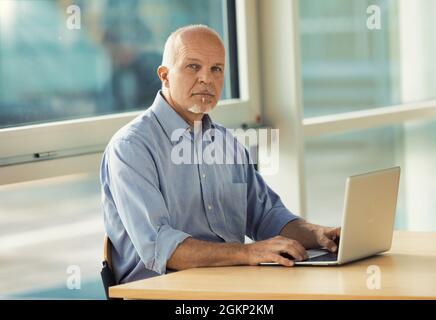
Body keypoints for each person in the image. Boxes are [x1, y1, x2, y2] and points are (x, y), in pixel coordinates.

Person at [100, 24, 340, 284]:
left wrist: (319, 235)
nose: (207, 79)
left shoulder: (228, 143)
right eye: (193, 66)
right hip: (163, 291)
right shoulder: (131, 147)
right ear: (165, 76)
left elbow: (267, 215)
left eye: (216, 69)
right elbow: (162, 247)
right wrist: (247, 252)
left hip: (231, 285)